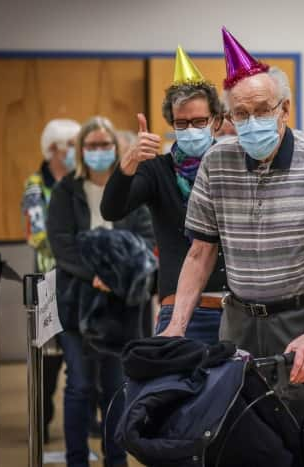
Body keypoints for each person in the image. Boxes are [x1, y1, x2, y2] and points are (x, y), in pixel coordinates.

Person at [160, 28, 304, 467]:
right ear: (228, 118)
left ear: (284, 110)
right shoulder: (217, 163)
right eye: (240, 114)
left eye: (261, 110)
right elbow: (200, 253)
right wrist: (176, 325)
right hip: (239, 322)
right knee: (242, 437)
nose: (251, 122)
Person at [100, 46, 227, 344]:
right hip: (178, 304)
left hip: (236, 305)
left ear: (215, 121)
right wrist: (129, 163)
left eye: (199, 122)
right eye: (181, 124)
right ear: (171, 124)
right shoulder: (157, 170)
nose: (191, 129)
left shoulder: (231, 167)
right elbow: (112, 209)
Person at [47, 116, 153, 467]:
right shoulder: (66, 191)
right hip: (77, 300)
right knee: (79, 384)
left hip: (122, 304)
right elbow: (62, 245)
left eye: (104, 144)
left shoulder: (131, 186)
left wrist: (115, 275)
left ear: (116, 147)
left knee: (116, 387)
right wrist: (95, 273)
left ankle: (116, 459)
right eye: (91, 145)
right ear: (80, 151)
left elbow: (145, 239)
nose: (98, 151)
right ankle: (76, 459)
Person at [22, 118, 80, 443]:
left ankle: (85, 419)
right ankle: (41, 421)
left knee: (82, 355)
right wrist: (71, 242)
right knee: (48, 359)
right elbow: (37, 235)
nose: (75, 151)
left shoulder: (78, 181)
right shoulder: (35, 185)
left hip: (78, 280)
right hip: (47, 284)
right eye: (70, 145)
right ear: (53, 149)